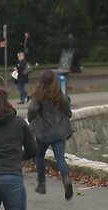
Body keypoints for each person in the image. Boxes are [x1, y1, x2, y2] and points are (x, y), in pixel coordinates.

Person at [27, 70, 74, 200]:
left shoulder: (38, 95)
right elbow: (67, 110)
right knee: (60, 157)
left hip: (43, 132)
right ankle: (66, 179)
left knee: (40, 156)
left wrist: (31, 119)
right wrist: (66, 115)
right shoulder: (58, 94)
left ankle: (41, 184)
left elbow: (32, 109)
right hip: (59, 131)